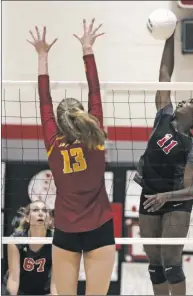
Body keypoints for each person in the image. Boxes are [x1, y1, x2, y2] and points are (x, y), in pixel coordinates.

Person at [27, 19, 115, 295]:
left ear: (60, 123)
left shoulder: (53, 143)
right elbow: (95, 92)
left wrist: (42, 56)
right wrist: (87, 49)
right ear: (85, 117)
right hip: (100, 227)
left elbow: (44, 101)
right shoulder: (96, 136)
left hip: (66, 229)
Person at [134, 32, 193, 295]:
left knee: (171, 262)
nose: (184, 99)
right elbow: (164, 73)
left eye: (192, 102)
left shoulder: (191, 146)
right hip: (150, 195)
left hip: (176, 201)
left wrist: (166, 196)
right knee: (154, 265)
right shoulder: (164, 115)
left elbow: (191, 190)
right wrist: (169, 36)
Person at [2, 201, 56, 295]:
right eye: (35, 210)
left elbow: (55, 281)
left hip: (44, 292)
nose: (40, 213)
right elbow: (14, 278)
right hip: (20, 291)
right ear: (27, 218)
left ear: (50, 219)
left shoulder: (56, 241)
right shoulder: (16, 240)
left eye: (44, 211)